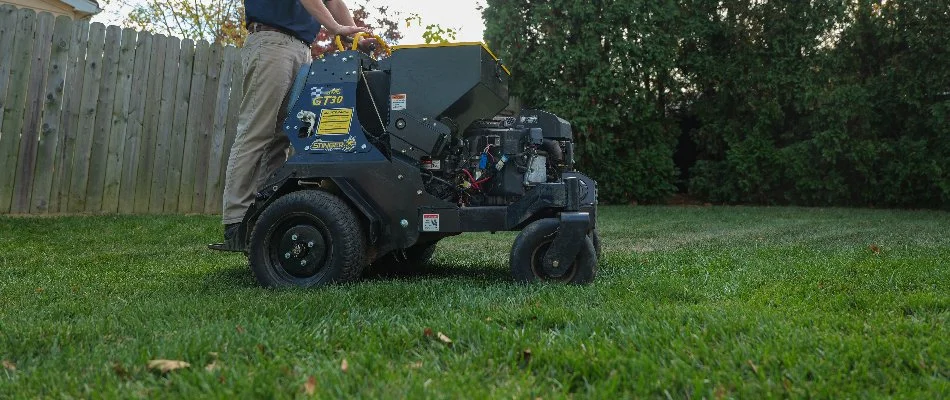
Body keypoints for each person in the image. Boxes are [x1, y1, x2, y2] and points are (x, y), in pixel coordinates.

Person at [221, 0, 370, 247]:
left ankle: (262, 214)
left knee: (282, 138)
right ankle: (235, 219)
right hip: (271, 41)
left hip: (302, 49)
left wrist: (355, 33)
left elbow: (333, 1)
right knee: (256, 132)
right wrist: (335, 27)